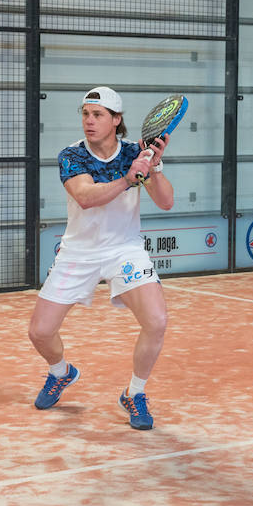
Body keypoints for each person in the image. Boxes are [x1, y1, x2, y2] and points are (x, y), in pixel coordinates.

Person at [27, 86, 174, 430]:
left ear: (116, 120)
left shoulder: (137, 154)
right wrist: (127, 178)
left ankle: (134, 394)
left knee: (156, 321)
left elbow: (166, 202)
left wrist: (152, 168)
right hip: (78, 251)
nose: (89, 121)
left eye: (97, 115)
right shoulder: (71, 155)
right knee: (39, 332)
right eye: (85, 114)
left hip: (124, 249)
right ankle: (61, 372)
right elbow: (86, 197)